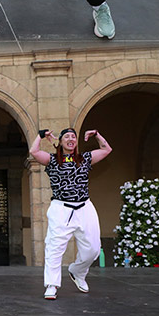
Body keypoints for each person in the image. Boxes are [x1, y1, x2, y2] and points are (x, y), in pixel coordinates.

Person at [29, 125, 111, 300]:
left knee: (93, 249)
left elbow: (106, 149)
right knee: (54, 247)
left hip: (85, 207)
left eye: (73, 137)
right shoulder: (52, 160)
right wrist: (40, 135)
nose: (71, 139)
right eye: (67, 137)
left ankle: (78, 271)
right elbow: (34, 151)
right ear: (61, 142)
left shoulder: (84, 159)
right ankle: (52, 284)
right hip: (61, 209)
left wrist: (97, 134)